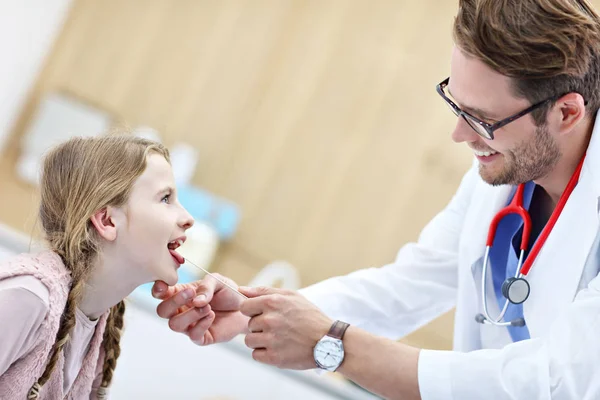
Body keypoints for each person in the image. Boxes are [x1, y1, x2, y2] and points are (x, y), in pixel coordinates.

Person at [152, 0, 600, 398]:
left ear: (566, 112)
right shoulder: (507, 165)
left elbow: (555, 382)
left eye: (482, 120)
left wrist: (334, 345)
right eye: (457, 105)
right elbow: (408, 285)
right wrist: (257, 312)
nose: (460, 135)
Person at [0, 135, 195, 399]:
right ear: (107, 221)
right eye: (165, 198)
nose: (188, 218)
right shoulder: (29, 298)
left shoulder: (103, 324)